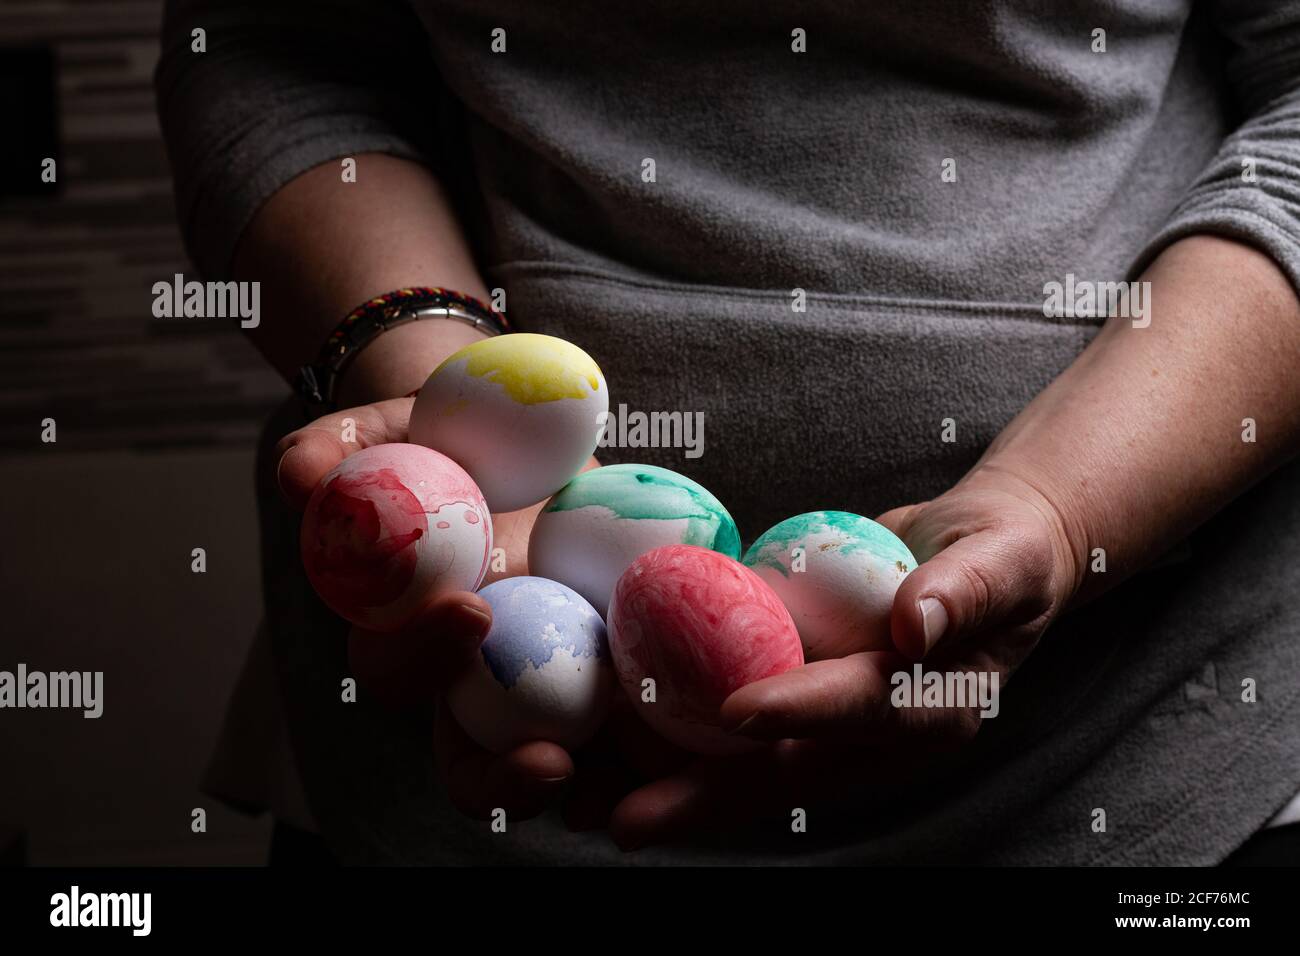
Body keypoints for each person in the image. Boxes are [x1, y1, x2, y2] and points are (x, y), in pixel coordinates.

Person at [156, 0, 1300, 864]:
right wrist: (451, 411)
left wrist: (1066, 505)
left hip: (1154, 750)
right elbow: (272, 51)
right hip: (452, 759)